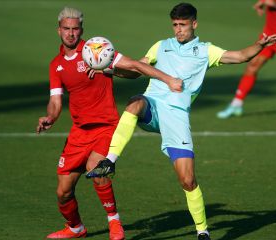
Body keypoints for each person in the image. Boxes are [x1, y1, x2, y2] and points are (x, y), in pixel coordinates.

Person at [85, 3, 276, 240]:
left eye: (183, 25)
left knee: (188, 180)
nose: (178, 30)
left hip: (176, 118)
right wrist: (108, 71)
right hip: (153, 107)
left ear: (194, 24)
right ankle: (110, 161)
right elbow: (137, 69)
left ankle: (202, 231)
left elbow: (240, 56)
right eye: (175, 25)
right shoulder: (161, 46)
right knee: (135, 101)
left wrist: (259, 45)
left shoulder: (206, 51)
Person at [36, 6, 182, 239]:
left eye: (75, 29)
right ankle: (75, 228)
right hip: (79, 132)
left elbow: (134, 67)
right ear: (59, 30)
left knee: (97, 168)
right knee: (63, 192)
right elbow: (55, 101)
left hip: (106, 126)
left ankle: (114, 222)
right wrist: (50, 118)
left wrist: (167, 79)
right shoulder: (56, 65)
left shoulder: (97, 49)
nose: (71, 34)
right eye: (66, 29)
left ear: (81, 29)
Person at [217, 0, 276, 119]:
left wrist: (275, 5)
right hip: (268, 35)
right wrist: (262, 3)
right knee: (253, 65)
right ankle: (236, 104)